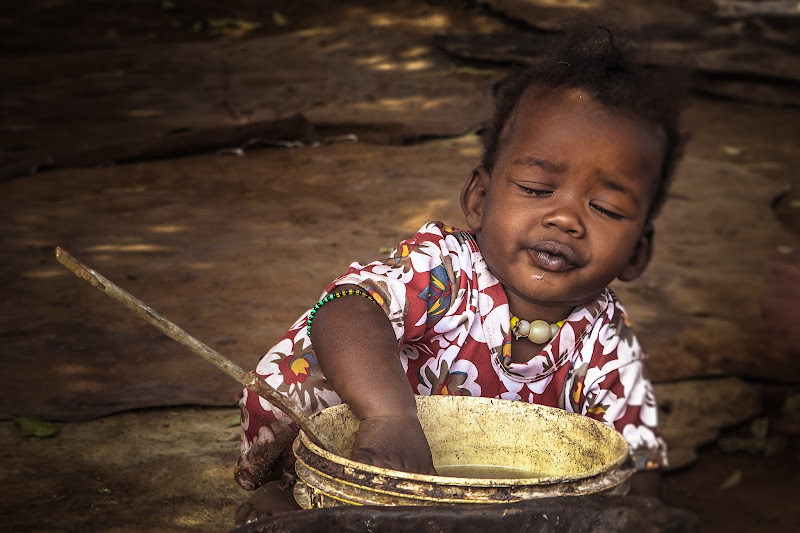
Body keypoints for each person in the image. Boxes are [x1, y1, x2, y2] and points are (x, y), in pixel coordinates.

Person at [234, 24, 686, 499]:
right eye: (536, 189)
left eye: (607, 209)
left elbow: (638, 468)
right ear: (480, 196)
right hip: (351, 448)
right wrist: (388, 416)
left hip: (486, 499)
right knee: (310, 444)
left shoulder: (610, 345)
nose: (565, 219)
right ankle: (287, 491)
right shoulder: (444, 268)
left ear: (637, 252)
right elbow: (345, 307)